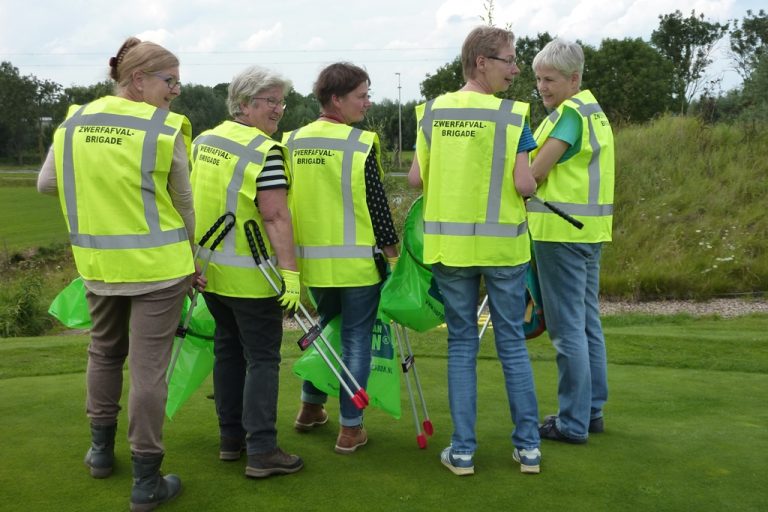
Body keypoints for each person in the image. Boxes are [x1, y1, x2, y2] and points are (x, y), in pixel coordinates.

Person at [38, 37, 203, 511]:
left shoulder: (74, 121)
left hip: (99, 265)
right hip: (161, 268)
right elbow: (185, 204)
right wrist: (194, 260)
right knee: (149, 370)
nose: (175, 90)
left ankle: (100, 452)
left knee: (105, 354)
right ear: (138, 80)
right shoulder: (164, 127)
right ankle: (146, 478)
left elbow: (48, 184)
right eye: (169, 81)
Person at [408, 26, 542, 476]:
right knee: (512, 346)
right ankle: (528, 449)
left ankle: (462, 451)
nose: (516, 69)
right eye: (510, 59)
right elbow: (525, 184)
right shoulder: (514, 117)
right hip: (504, 249)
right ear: (482, 61)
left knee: (462, 344)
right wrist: (533, 185)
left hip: (451, 250)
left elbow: (414, 178)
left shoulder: (430, 113)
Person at [190, 65, 304, 477]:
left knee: (227, 350)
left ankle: (231, 439)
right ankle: (262, 449)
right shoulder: (265, 150)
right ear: (243, 104)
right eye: (269, 101)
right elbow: (275, 216)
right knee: (262, 359)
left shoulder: (204, 140)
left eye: (280, 101)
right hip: (252, 276)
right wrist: (291, 274)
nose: (278, 109)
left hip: (210, 273)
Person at [284, 62, 399, 454]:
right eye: (361, 95)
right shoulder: (359, 143)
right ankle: (351, 428)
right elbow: (377, 205)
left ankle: (310, 407)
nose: (367, 102)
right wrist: (393, 253)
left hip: (313, 265)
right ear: (337, 99)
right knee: (354, 341)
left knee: (326, 335)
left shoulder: (292, 141)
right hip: (357, 265)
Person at [528, 39, 615, 444]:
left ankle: (572, 422)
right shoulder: (592, 112)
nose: (542, 87)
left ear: (573, 78)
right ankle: (591, 411)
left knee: (567, 332)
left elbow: (535, 175)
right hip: (587, 232)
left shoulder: (567, 116)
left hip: (559, 234)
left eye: (550, 79)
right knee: (585, 324)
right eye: (538, 79)